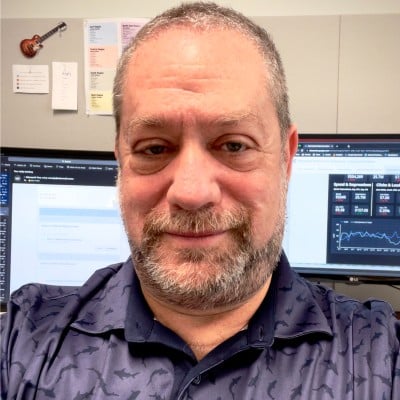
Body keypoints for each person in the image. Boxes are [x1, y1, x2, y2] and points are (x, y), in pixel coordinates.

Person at [1, 2, 399, 399]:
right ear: (121, 160)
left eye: (234, 145)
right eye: (154, 148)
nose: (191, 193)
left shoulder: (378, 356)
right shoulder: (24, 338)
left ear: (286, 157)